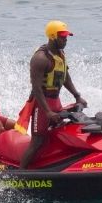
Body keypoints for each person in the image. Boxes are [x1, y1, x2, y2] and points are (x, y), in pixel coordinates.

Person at [19, 20, 88, 169]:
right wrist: (48, 111)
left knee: (58, 133)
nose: (65, 40)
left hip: (55, 101)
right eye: (62, 37)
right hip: (41, 104)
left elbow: (64, 76)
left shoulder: (61, 54)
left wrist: (77, 95)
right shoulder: (40, 59)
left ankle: (50, 164)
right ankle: (21, 173)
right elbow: (36, 88)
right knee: (37, 140)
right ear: (52, 36)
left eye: (66, 37)